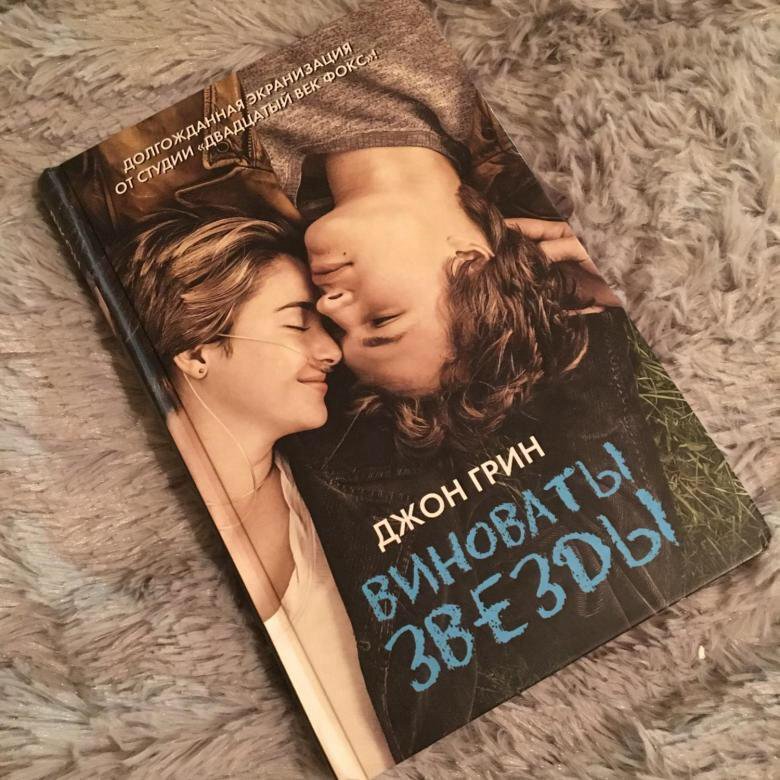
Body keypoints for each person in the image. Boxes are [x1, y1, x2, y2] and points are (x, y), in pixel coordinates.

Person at [117, 209, 393, 779]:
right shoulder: (132, 544)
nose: (331, 351)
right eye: (297, 325)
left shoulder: (354, 486)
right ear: (196, 354)